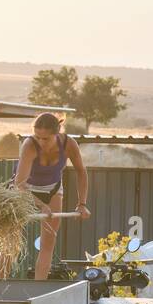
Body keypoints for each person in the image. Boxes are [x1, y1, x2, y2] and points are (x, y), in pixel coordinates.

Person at [13, 111, 90, 279]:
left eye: (45, 138)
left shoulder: (69, 144)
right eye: (37, 137)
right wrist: (41, 205)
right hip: (26, 189)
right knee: (12, 237)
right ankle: (1, 281)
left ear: (57, 133)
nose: (41, 142)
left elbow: (81, 172)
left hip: (53, 189)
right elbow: (19, 184)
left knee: (48, 241)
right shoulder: (29, 145)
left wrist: (82, 204)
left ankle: (39, 288)